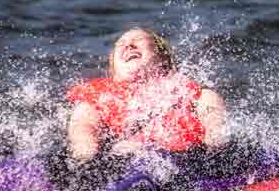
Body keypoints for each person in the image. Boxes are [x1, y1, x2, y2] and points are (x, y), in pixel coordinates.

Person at [66, 28, 228, 171]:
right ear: (113, 68)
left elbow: (211, 111)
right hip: (122, 162)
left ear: (162, 58)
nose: (128, 45)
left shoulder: (189, 90)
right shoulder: (98, 95)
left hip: (187, 161)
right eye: (120, 44)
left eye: (139, 40)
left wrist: (215, 137)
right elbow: (83, 125)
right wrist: (86, 154)